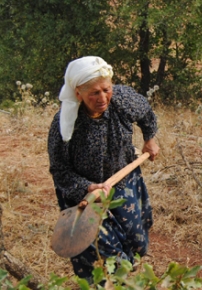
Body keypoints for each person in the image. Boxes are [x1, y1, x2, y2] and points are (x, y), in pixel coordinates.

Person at [47, 56, 160, 282]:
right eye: (94, 93)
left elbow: (145, 113)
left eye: (106, 90)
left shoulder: (122, 100)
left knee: (136, 241)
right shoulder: (64, 124)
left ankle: (127, 277)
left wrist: (150, 139)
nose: (102, 98)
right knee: (105, 251)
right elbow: (59, 170)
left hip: (122, 178)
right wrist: (88, 187)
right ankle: (109, 283)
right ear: (78, 94)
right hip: (85, 194)